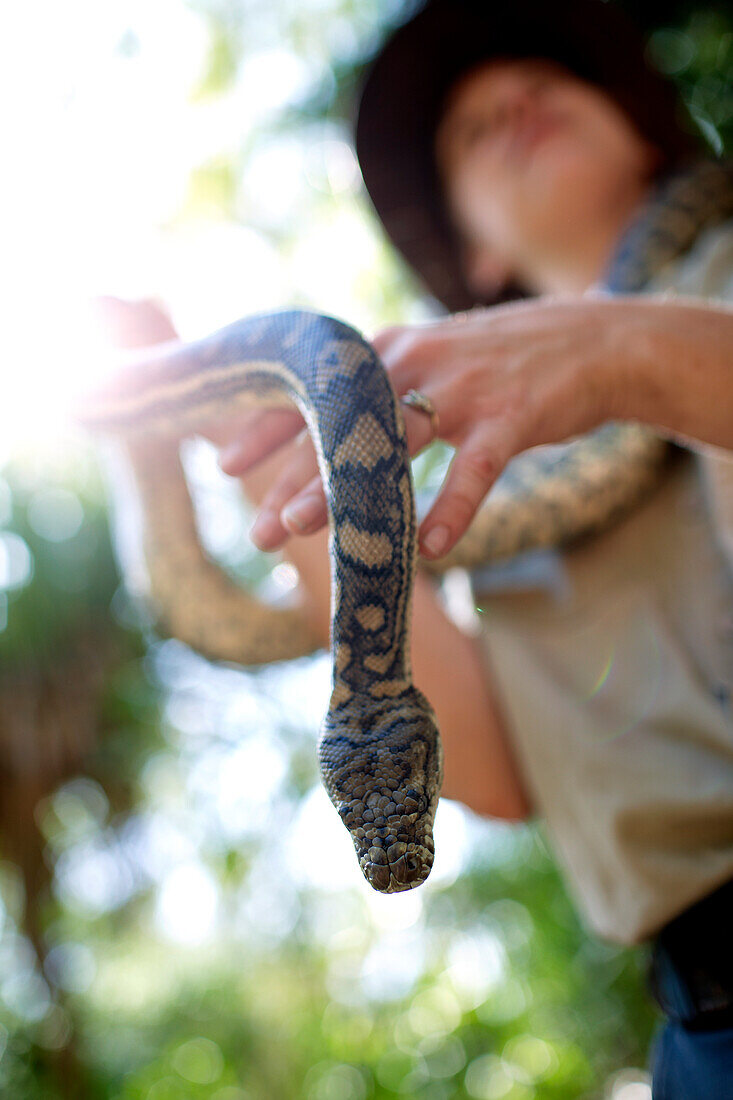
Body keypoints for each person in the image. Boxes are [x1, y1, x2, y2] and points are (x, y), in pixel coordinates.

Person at [100, 1, 733, 1095]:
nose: (513, 107)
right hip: (703, 1018)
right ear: (475, 247)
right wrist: (249, 446)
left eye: (541, 82)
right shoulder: (478, 467)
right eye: (472, 129)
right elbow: (497, 765)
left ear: (642, 133)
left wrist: (623, 348)